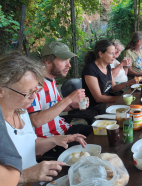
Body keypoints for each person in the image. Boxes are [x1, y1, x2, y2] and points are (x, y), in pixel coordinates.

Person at [0, 52, 87, 184]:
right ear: (1, 91)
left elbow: (30, 147)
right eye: (27, 92)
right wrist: (25, 176)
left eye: (35, 90)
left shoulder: (21, 111)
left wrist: (55, 140)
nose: (33, 97)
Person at [27, 42, 92, 157]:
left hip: (64, 129)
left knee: (99, 132)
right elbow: (36, 121)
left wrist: (73, 105)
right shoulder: (34, 84)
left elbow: (56, 107)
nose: (69, 65)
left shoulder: (51, 80)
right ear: (47, 61)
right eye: (63, 60)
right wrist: (68, 99)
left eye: (69, 60)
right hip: (49, 141)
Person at [82, 40, 137, 114]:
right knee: (127, 110)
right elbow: (98, 98)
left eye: (114, 53)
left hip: (107, 99)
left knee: (133, 104)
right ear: (101, 54)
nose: (114, 56)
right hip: (95, 105)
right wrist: (121, 98)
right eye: (111, 53)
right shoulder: (90, 70)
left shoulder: (107, 66)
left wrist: (128, 83)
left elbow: (114, 87)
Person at [0, 107, 22, 186]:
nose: (34, 96)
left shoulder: (22, 112)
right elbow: (8, 180)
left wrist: (52, 140)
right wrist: (29, 174)